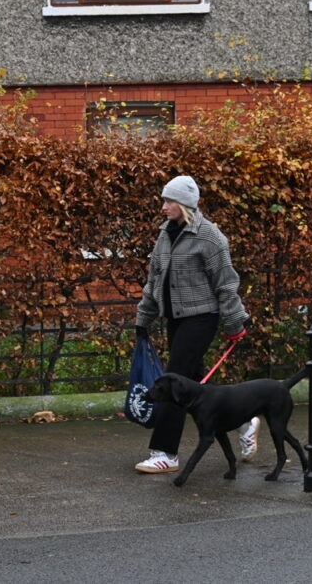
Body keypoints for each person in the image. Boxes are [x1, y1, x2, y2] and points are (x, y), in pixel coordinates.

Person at [133, 175, 260, 473]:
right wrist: (143, 319)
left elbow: (226, 284)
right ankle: (243, 421)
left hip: (201, 318)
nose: (163, 207)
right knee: (196, 382)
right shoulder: (165, 234)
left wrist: (234, 323)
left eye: (168, 201)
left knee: (174, 381)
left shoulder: (210, 237)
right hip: (174, 318)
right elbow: (154, 281)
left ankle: (165, 452)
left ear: (184, 204)